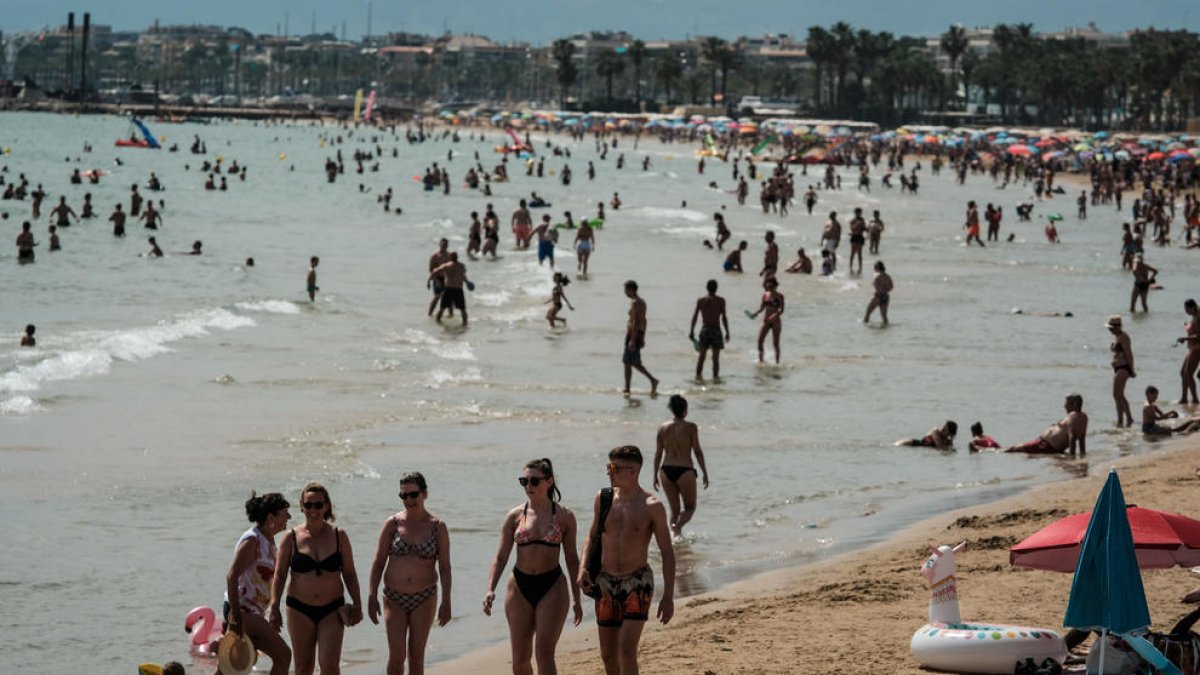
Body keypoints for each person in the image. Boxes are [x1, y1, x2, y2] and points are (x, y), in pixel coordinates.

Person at [577, 446, 675, 675]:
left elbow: (667, 552)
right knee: (608, 655)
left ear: (633, 471)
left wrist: (668, 595)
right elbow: (592, 536)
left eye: (614, 468)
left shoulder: (653, 506)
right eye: (608, 466)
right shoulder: (604, 498)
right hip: (605, 581)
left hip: (637, 582)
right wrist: (583, 568)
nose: (608, 472)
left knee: (626, 651)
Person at [482, 459, 583, 675]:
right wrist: (490, 588)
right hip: (519, 585)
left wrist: (577, 599)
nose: (529, 486)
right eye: (524, 481)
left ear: (549, 482)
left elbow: (573, 561)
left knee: (544, 653)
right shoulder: (514, 516)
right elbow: (500, 557)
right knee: (519, 660)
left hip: (552, 585)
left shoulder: (565, 517)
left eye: (534, 481)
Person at [269, 483, 363, 675]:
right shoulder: (291, 537)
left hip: (332, 609)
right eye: (309, 505)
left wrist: (358, 604)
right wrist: (274, 607)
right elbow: (279, 575)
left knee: (329, 666)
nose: (314, 510)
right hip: (299, 609)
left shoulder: (339, 536)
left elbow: (350, 574)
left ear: (327, 506)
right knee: (303, 667)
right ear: (301, 506)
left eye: (318, 505)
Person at [367, 472, 453, 675]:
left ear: (424, 494)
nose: (408, 500)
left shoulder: (437, 527)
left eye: (413, 495)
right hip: (393, 597)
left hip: (424, 597)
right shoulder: (393, 524)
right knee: (397, 656)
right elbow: (378, 561)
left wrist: (447, 601)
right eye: (403, 496)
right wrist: (371, 594)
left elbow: (445, 567)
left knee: (416, 656)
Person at [222, 492, 292, 675]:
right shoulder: (253, 539)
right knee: (283, 655)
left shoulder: (269, 541)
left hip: (253, 612)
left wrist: (272, 611)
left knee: (229, 668)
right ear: (271, 517)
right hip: (243, 611)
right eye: (285, 513)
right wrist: (236, 617)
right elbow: (231, 576)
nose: (289, 517)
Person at [653, 396, 710, 537]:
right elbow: (697, 451)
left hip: (666, 470)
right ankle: (676, 527)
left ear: (671, 409)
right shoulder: (691, 427)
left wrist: (655, 475)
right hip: (685, 470)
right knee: (690, 508)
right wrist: (705, 473)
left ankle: (675, 540)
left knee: (675, 510)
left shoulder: (662, 428)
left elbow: (658, 454)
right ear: (685, 410)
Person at [1006, 394, 1088, 455]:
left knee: (1013, 449)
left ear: (1074, 404)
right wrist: (1082, 455)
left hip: (1046, 446)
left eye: (1067, 403)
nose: (1064, 406)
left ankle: (996, 452)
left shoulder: (1073, 416)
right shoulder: (1083, 417)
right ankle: (998, 450)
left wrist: (1071, 458)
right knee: (1024, 455)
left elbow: (1072, 437)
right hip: (1047, 446)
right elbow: (1082, 439)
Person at [622, 280, 659, 396]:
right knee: (630, 362)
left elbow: (636, 322)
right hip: (637, 334)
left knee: (630, 362)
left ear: (631, 290)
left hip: (633, 334)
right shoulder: (641, 302)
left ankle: (652, 380)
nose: (625, 293)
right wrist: (643, 336)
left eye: (626, 290)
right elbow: (644, 321)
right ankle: (628, 388)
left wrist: (633, 340)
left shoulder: (635, 303)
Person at [689, 279, 730, 381]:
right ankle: (715, 378)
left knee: (702, 356)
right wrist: (727, 332)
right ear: (716, 288)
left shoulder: (701, 300)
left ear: (707, 288)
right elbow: (724, 317)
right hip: (716, 330)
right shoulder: (721, 301)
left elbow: (695, 316)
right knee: (715, 358)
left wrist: (692, 330)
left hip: (705, 329)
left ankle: (698, 378)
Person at [1107, 315, 1135, 427]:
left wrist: (1132, 370)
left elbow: (1129, 354)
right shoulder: (1116, 336)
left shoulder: (1124, 337)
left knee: (1116, 394)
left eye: (1111, 328)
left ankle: (1121, 420)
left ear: (1118, 326)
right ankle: (1128, 418)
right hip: (1118, 368)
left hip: (1123, 367)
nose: (1110, 330)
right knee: (1119, 395)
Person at [429, 253, 470, 326]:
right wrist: (429, 280)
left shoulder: (461, 266)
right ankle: (437, 322)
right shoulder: (447, 265)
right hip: (449, 289)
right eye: (454, 256)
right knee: (443, 308)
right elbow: (436, 272)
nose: (455, 257)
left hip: (457, 289)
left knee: (462, 309)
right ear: (451, 257)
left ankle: (465, 324)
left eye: (455, 256)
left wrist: (467, 282)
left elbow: (462, 275)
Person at [751, 276, 784, 364]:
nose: (768, 285)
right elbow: (761, 308)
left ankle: (777, 362)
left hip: (775, 321)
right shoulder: (765, 295)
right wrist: (755, 313)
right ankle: (761, 360)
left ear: (775, 284)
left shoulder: (780, 296)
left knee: (775, 344)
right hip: (765, 320)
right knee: (759, 340)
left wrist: (774, 315)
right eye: (767, 283)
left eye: (770, 283)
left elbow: (781, 310)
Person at [1178, 299, 1200, 404]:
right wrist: (1187, 326)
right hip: (1191, 347)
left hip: (1197, 348)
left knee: (1189, 374)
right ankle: (1184, 398)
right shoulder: (1194, 316)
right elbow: (1194, 330)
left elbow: (1198, 336)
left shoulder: (1199, 317)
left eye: (1187, 309)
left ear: (1193, 307)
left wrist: (1185, 338)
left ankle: (1195, 399)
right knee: (1183, 373)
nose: (1186, 312)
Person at [862, 261, 893, 326]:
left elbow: (877, 288)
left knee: (867, 314)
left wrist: (878, 289)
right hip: (886, 296)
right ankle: (886, 328)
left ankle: (864, 328)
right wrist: (885, 290)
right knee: (884, 316)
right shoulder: (888, 276)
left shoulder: (877, 277)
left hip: (878, 297)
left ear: (878, 268)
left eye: (875, 268)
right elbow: (891, 287)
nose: (874, 269)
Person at [427, 239, 452, 316]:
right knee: (437, 296)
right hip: (438, 278)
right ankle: (430, 313)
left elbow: (453, 267)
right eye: (442, 245)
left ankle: (451, 315)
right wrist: (433, 278)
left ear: (447, 246)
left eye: (445, 245)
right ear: (439, 245)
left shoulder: (450, 255)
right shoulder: (435, 256)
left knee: (449, 298)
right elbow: (431, 269)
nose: (443, 246)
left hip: (447, 279)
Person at [847, 208, 866, 273]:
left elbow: (864, 228)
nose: (859, 214)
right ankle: (850, 267)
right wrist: (857, 224)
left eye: (860, 213)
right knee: (852, 253)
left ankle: (860, 268)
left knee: (860, 253)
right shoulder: (852, 220)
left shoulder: (862, 220)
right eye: (858, 212)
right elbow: (852, 229)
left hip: (860, 237)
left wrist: (867, 228)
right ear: (855, 213)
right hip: (854, 237)